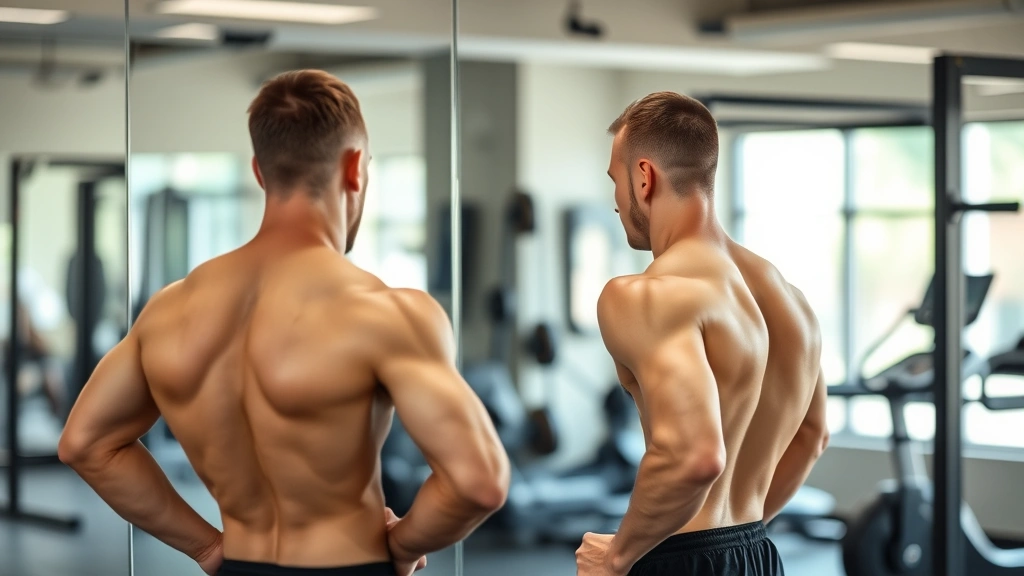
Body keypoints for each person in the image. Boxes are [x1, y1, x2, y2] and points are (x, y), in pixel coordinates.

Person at [59, 70, 510, 576]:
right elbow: (480, 480)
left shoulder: (170, 310)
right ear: (355, 168)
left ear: (259, 171)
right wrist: (402, 546)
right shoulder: (386, 312)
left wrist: (206, 547)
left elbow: (86, 444)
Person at [575, 92, 830, 576]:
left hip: (678, 558)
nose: (614, 200)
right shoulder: (788, 298)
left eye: (615, 180)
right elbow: (812, 436)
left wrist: (620, 557)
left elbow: (694, 456)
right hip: (757, 550)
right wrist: (734, 541)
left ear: (644, 177)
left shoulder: (644, 295)